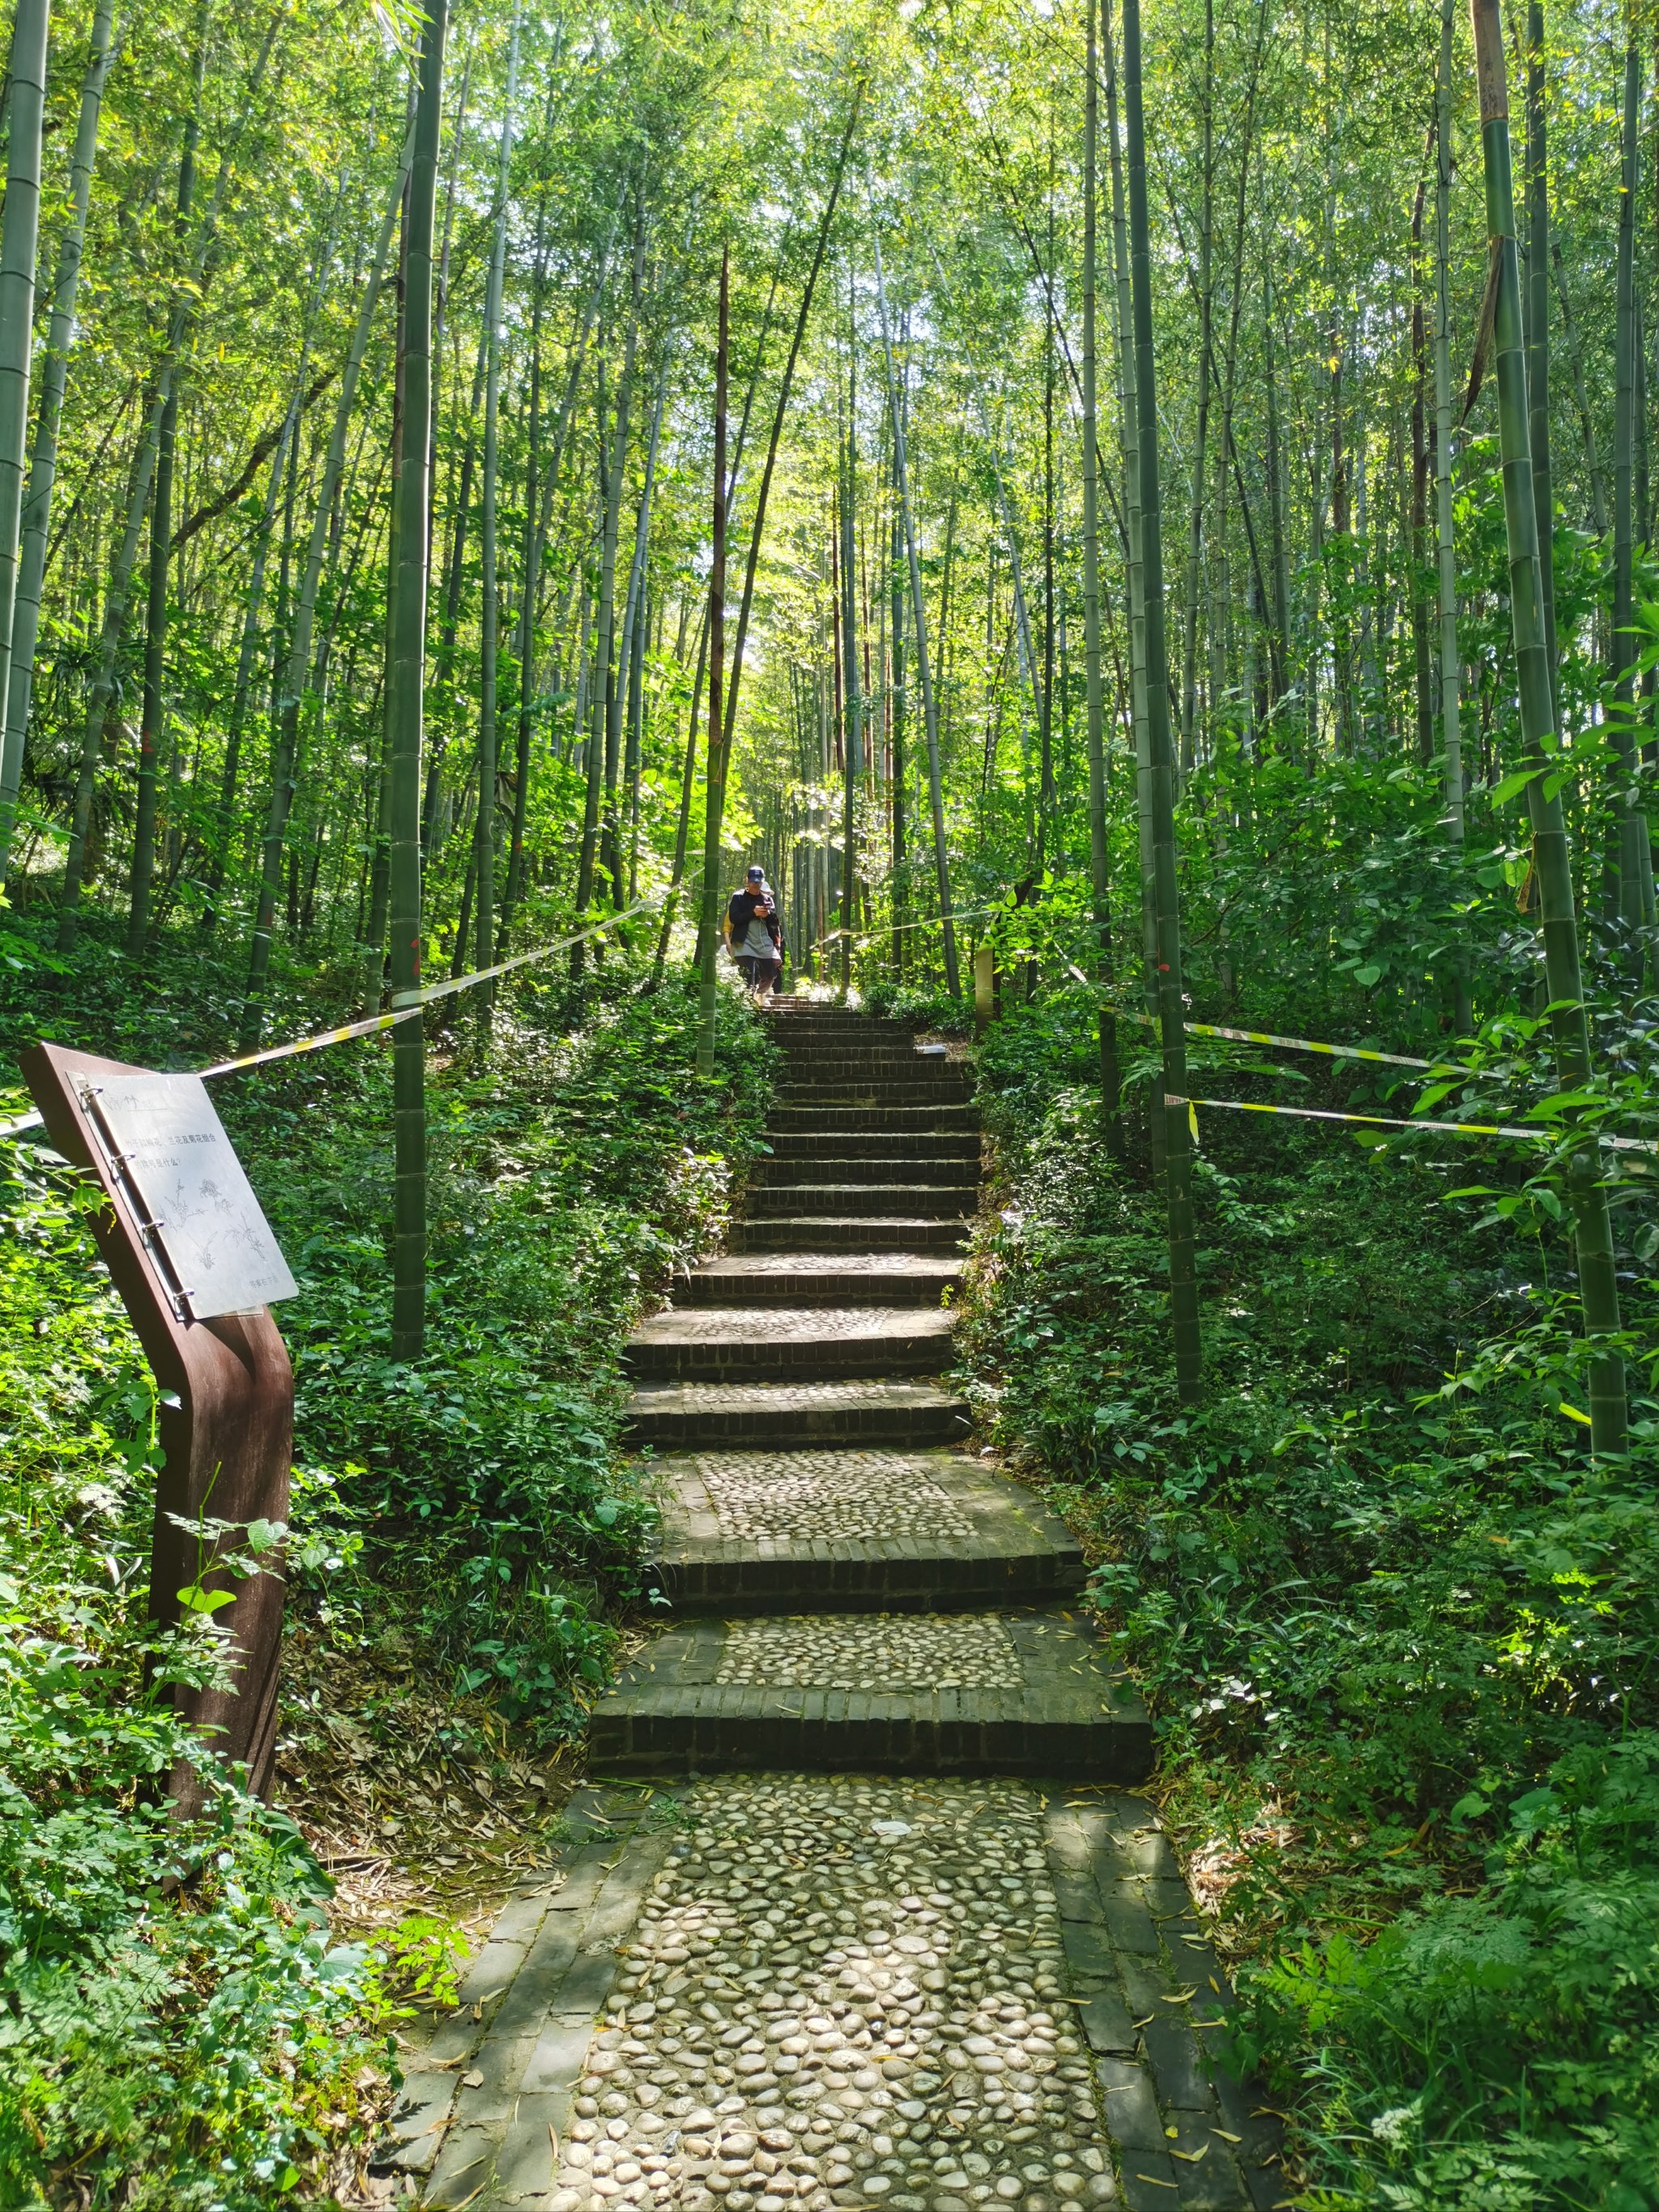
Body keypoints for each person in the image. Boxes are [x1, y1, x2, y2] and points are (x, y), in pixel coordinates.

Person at [724, 863, 784, 1004]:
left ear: (762, 881)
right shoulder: (738, 897)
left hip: (763, 941)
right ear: (747, 880)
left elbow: (775, 923)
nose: (756, 884)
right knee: (748, 975)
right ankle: (748, 1003)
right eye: (753, 881)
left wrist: (768, 915)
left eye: (758, 881)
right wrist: (753, 913)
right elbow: (734, 918)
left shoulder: (767, 899)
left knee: (770, 975)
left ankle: (760, 994)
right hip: (744, 942)